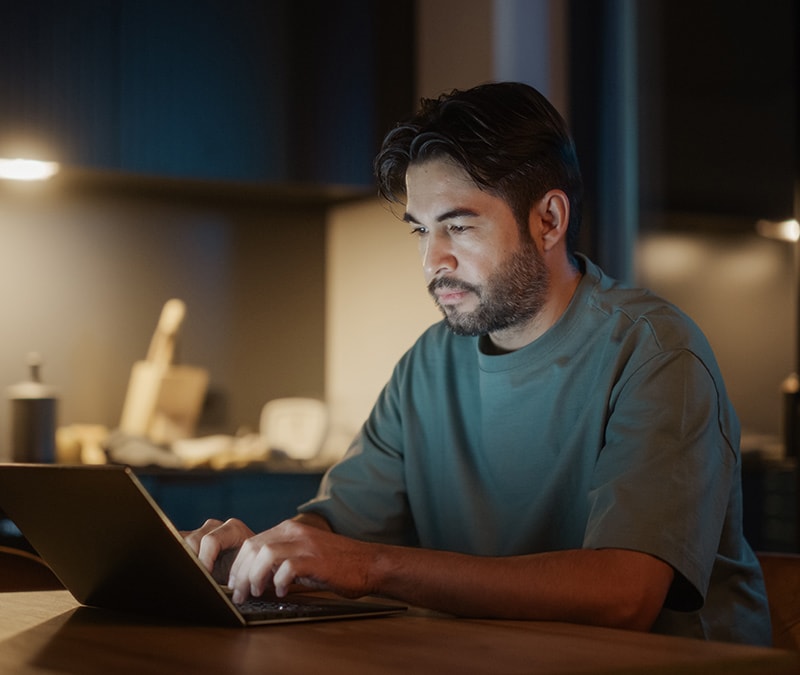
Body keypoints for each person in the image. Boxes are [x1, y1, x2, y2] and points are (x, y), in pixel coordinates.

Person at [185, 81, 772, 645]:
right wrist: (266, 552)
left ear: (549, 220)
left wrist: (373, 568)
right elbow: (342, 531)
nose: (432, 259)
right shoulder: (428, 364)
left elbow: (623, 595)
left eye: (458, 226)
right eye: (421, 231)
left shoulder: (656, 353)